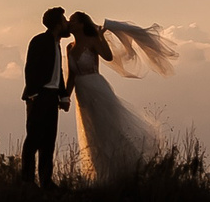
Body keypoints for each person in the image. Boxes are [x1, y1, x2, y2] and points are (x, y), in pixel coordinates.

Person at [64, 11, 178, 182]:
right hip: (82, 93)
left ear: (81, 24)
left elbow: (108, 57)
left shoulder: (93, 40)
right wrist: (66, 97)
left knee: (109, 127)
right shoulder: (69, 47)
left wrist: (101, 37)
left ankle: (125, 169)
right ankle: (101, 175)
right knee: (91, 131)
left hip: (97, 87)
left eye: (72, 21)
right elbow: (71, 76)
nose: (69, 23)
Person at [19, 6, 71, 187]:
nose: (68, 25)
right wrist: (33, 94)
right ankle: (27, 181)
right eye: (65, 21)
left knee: (48, 142)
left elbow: (58, 74)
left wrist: (63, 96)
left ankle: (46, 181)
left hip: (51, 97)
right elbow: (30, 68)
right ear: (58, 24)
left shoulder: (57, 44)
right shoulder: (40, 41)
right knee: (33, 139)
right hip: (39, 96)